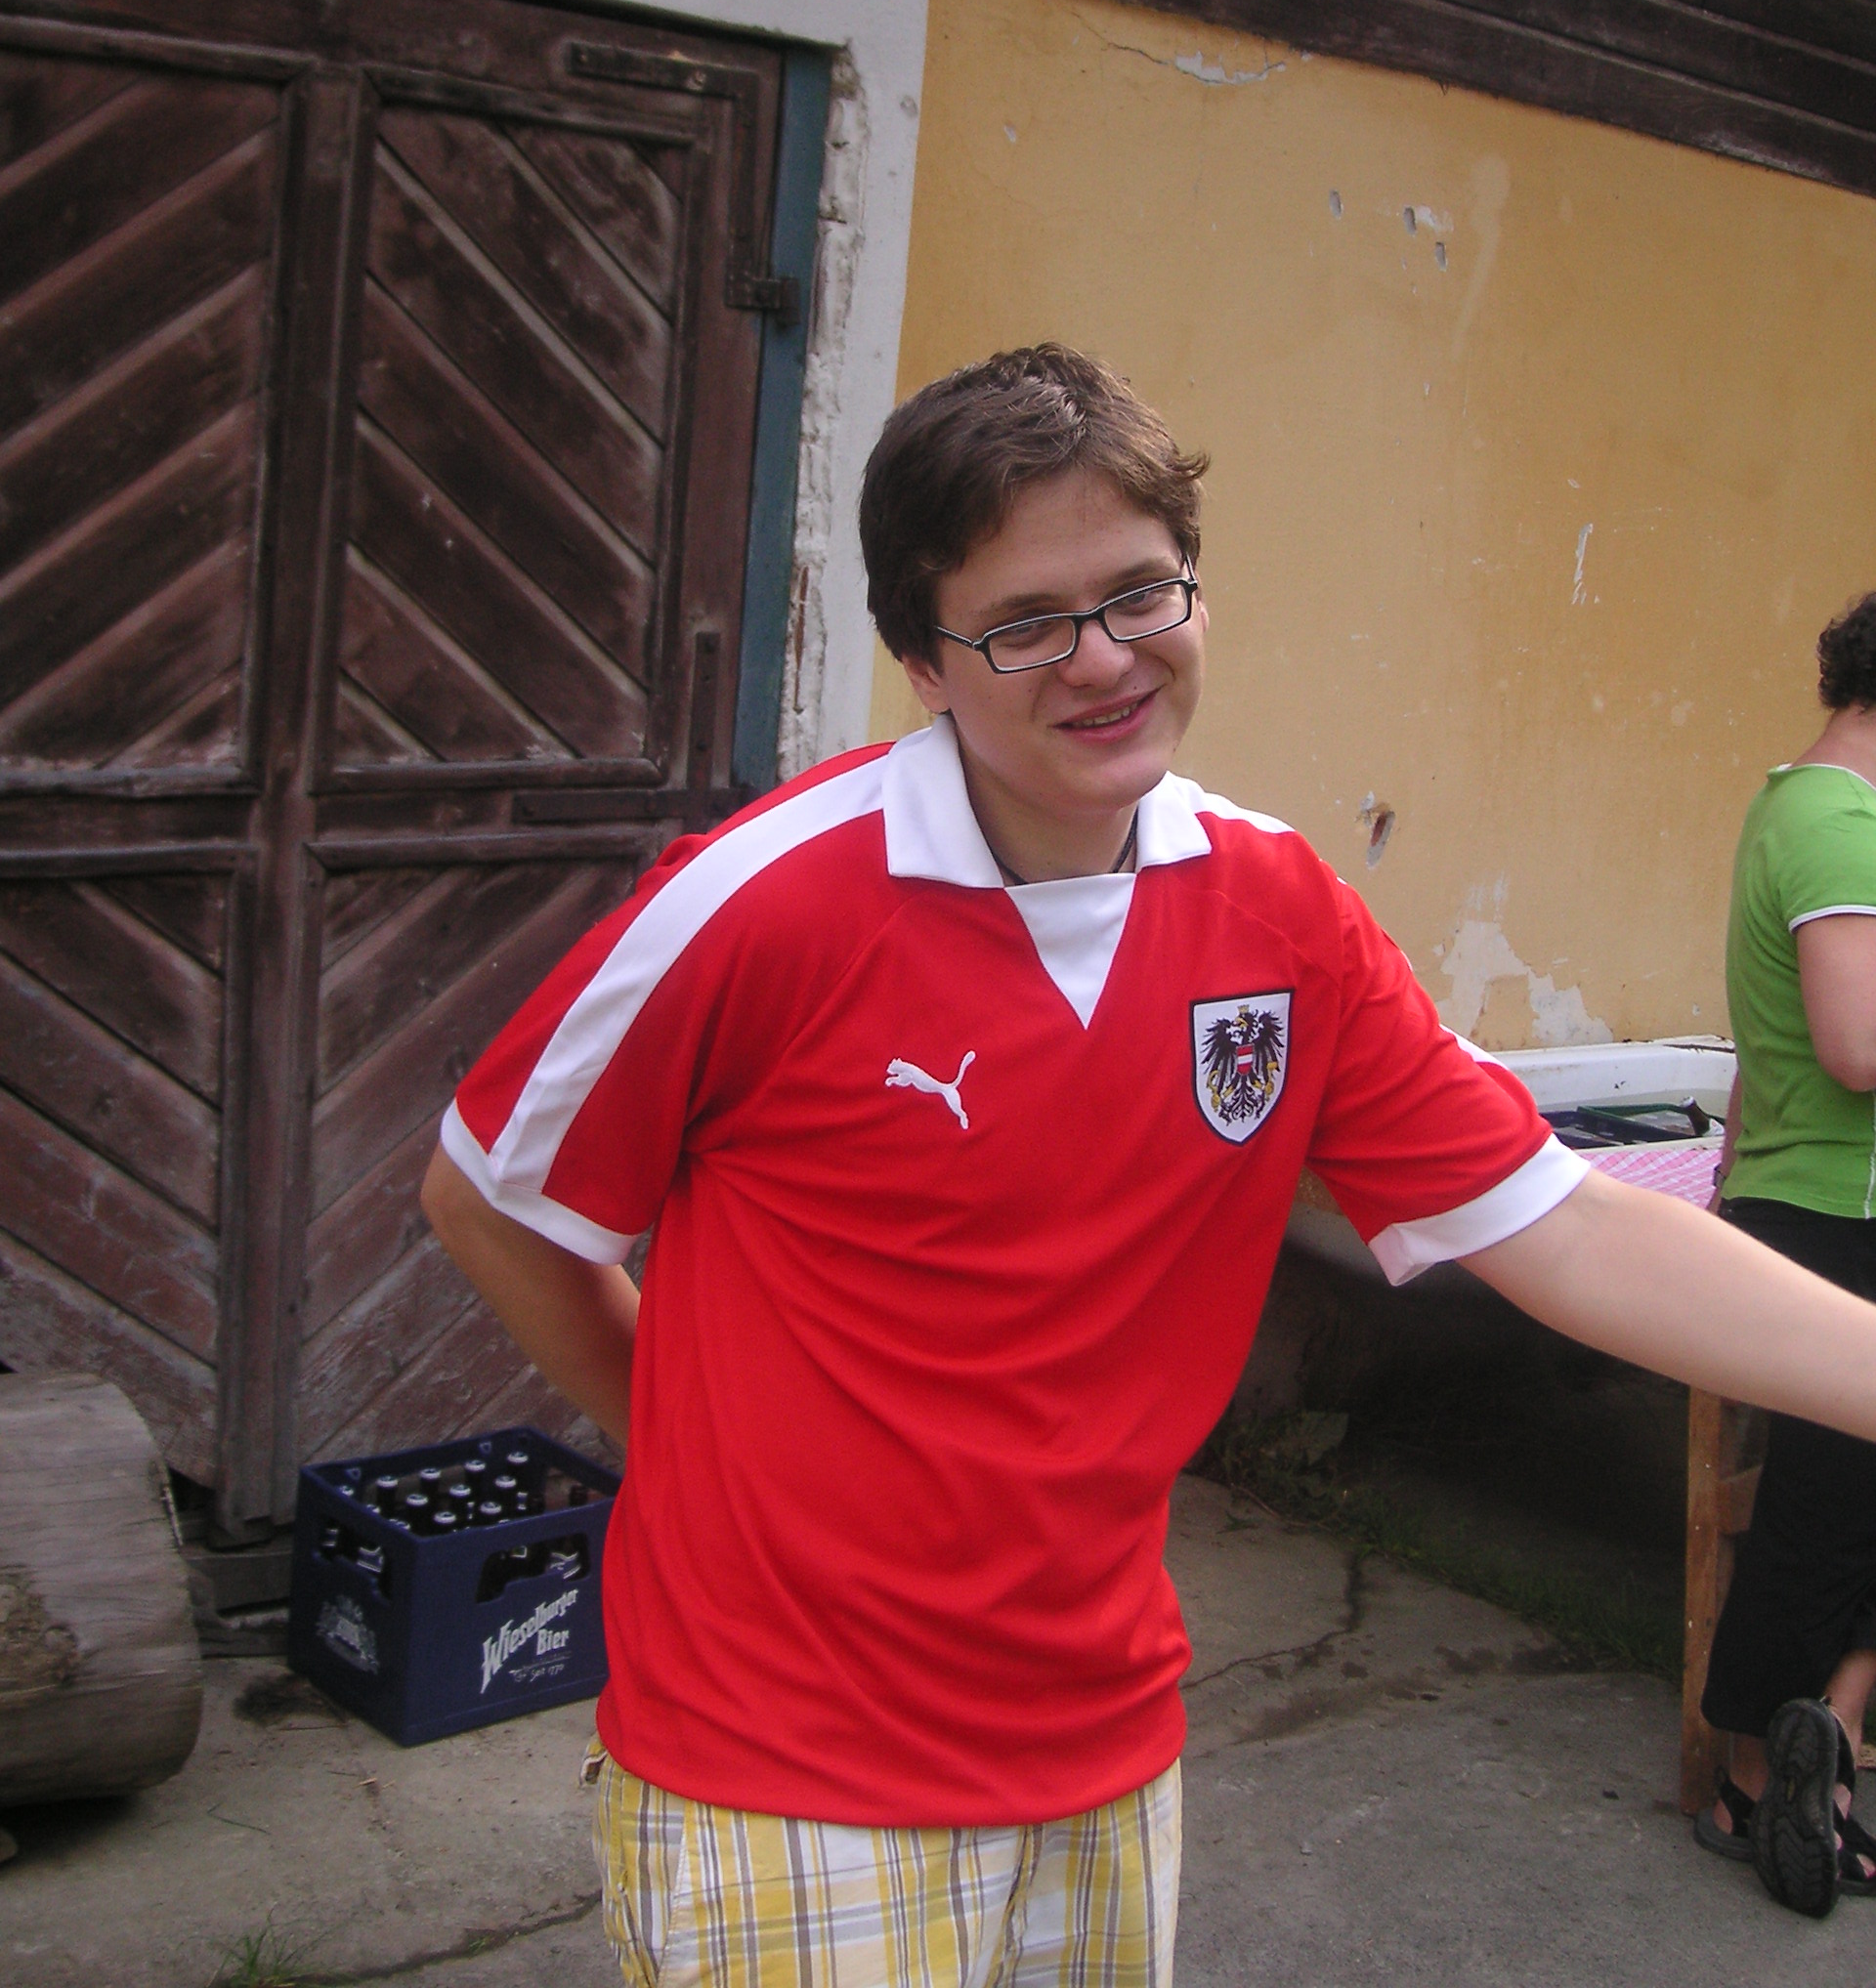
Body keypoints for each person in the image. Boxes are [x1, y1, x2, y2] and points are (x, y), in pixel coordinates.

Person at [425, 347, 1876, 1983]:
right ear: (922, 661)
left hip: (1106, 1747)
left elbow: (1570, 1229)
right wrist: (695, 1455)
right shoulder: (763, 904)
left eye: (1140, 592)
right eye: (1025, 623)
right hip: (784, 1770)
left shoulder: (1277, 914)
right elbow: (492, 1204)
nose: (1104, 660)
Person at [1698, 591, 1876, 1917]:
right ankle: (1757, 1778)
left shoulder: (1798, 804)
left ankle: (1833, 1740)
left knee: (1836, 1503)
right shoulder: (1839, 823)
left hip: (1806, 1195)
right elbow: (1853, 1046)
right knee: (1822, 1512)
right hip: (1835, 1209)